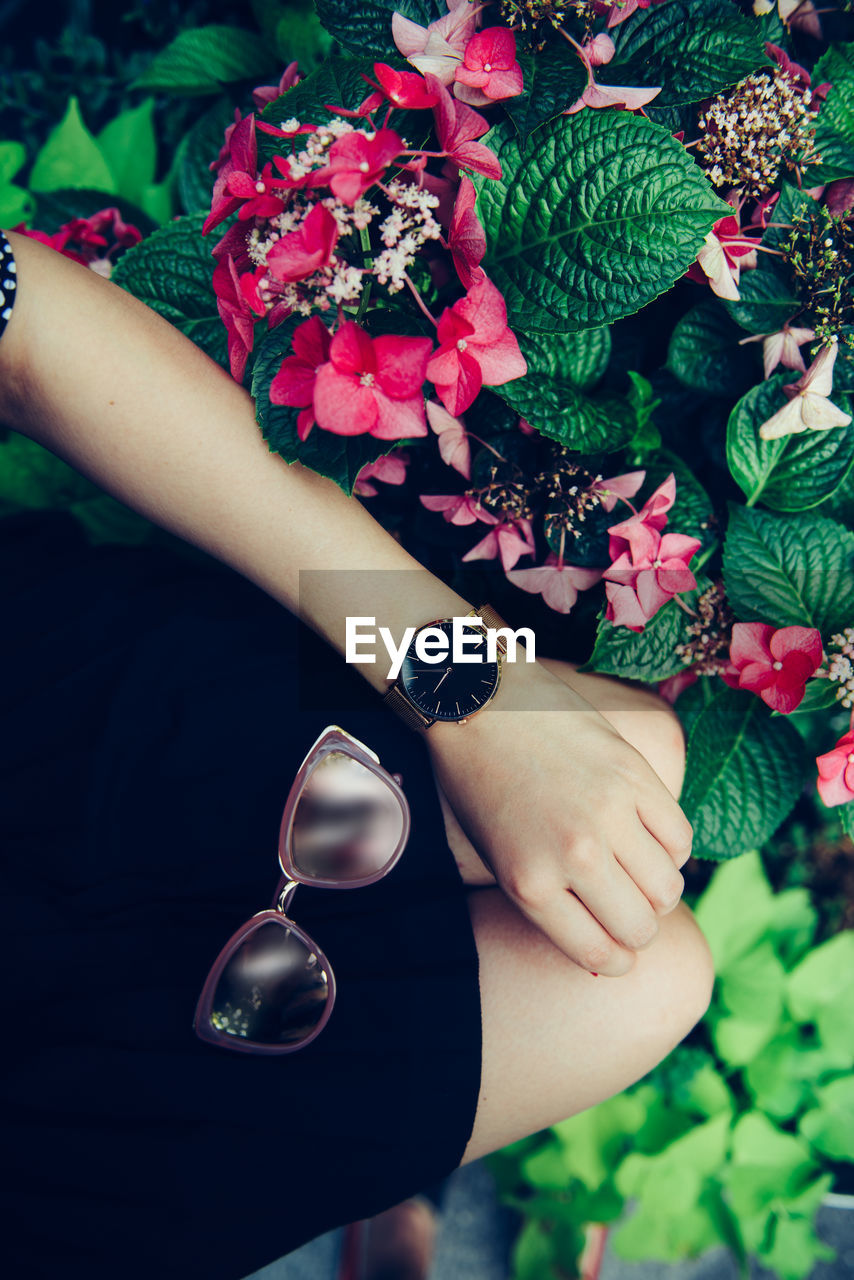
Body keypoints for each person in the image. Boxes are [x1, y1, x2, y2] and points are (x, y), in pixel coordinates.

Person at [0, 227, 714, 1280]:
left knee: (633, 764)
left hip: (37, 718)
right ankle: (380, 1173)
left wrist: (463, 683)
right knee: (637, 979)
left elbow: (27, 333)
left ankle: (382, 1172)